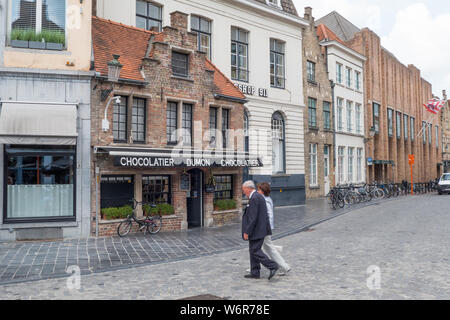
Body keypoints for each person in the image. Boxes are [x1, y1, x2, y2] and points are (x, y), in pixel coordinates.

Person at [241, 180, 279, 280]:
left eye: (244, 190)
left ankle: (272, 266)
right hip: (260, 229)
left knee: (255, 250)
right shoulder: (258, 196)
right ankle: (255, 272)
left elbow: (253, 218)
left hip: (257, 230)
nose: (243, 192)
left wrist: (247, 231)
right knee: (252, 250)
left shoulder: (254, 198)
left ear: (249, 188)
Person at [257, 182, 291, 275]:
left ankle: (284, 266)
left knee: (261, 248)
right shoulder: (266, 199)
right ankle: (254, 267)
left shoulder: (265, 200)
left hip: (264, 228)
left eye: (259, 189)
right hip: (266, 227)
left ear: (263, 191)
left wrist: (264, 227)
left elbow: (268, 215)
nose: (257, 191)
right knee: (262, 247)